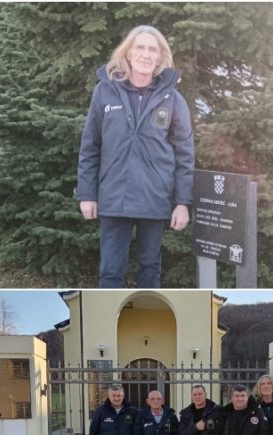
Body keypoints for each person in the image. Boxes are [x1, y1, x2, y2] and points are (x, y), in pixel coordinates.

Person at [75, 25, 193, 288]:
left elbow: (184, 154)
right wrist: (87, 194)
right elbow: (90, 146)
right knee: (110, 271)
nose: (146, 54)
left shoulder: (173, 99)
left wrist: (182, 202)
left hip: (154, 198)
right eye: (140, 47)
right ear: (128, 53)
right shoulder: (104, 92)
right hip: (113, 197)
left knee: (150, 270)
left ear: (161, 57)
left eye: (153, 49)